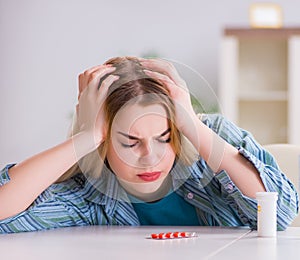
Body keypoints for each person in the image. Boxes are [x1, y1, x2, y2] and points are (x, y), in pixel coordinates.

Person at [0, 56, 298, 233]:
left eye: (164, 138)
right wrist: (86, 136)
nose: (150, 158)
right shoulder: (89, 194)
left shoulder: (211, 139)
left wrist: (192, 125)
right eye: (130, 143)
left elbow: (281, 213)